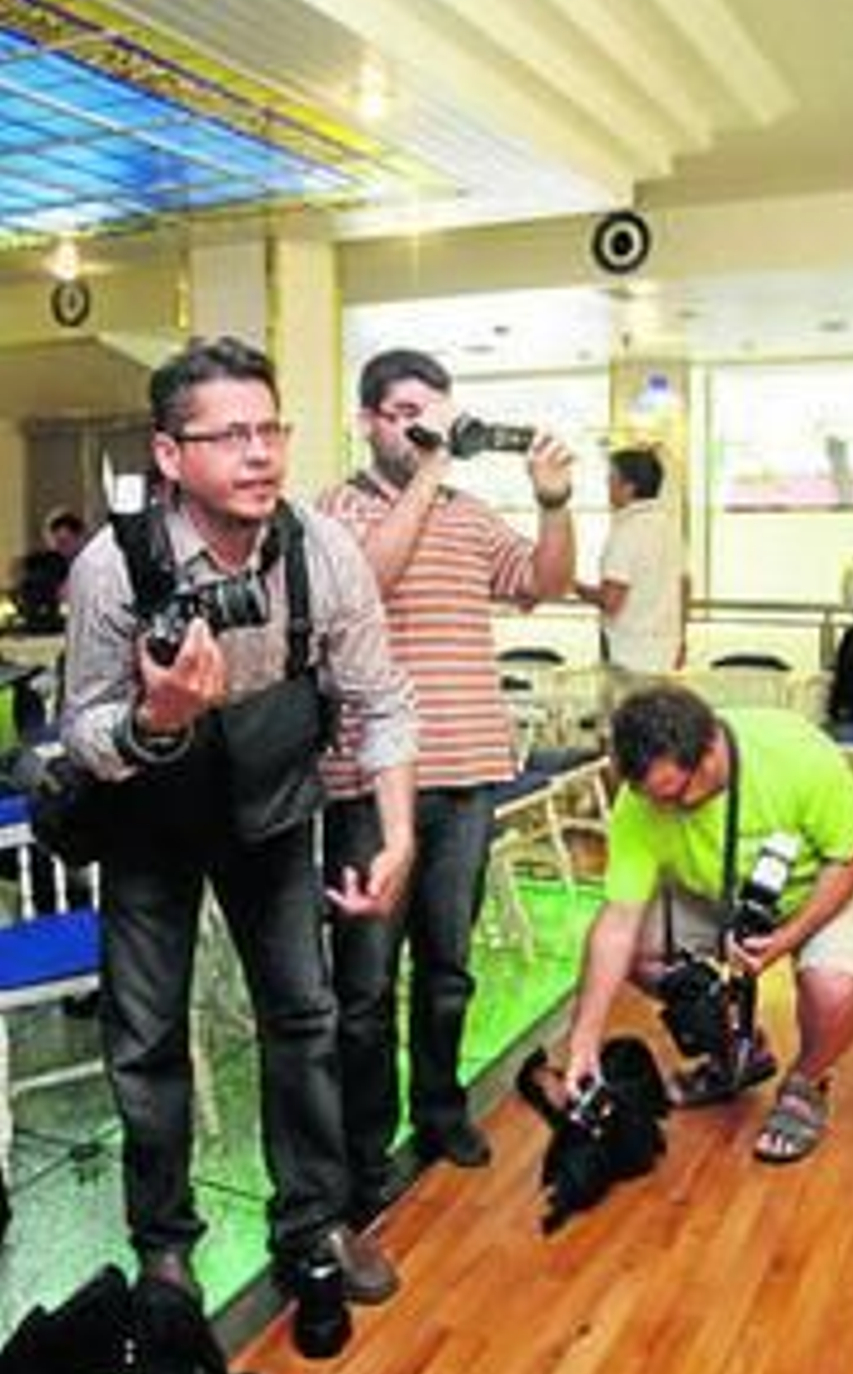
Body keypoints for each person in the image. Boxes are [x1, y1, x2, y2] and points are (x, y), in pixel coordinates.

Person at [60, 336, 418, 1310]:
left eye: (271, 429)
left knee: (303, 1018)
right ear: (171, 456)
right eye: (231, 435)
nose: (260, 453)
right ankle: (165, 1250)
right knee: (145, 1039)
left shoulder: (323, 549)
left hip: (272, 809)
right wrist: (156, 716)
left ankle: (314, 1218)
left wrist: (398, 831)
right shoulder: (112, 569)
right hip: (147, 814)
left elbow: (380, 698)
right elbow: (82, 725)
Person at [319, 348, 575, 1214]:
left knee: (449, 969)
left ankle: (438, 1110)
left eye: (433, 412)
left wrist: (552, 505)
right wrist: (431, 471)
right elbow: (368, 582)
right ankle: (364, 1146)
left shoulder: (470, 514)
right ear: (367, 421)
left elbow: (545, 583)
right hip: (365, 781)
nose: (421, 427)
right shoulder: (334, 511)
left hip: (467, 776)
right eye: (401, 412)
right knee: (363, 986)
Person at [563, 684, 853, 1164]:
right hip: (716, 891)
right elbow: (618, 921)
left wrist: (786, 940)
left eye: (677, 794)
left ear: (711, 748)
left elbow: (850, 861)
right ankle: (737, 1051)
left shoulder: (797, 755)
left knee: (834, 991)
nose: (667, 809)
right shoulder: (645, 801)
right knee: (633, 951)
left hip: (823, 885)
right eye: (656, 800)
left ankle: (806, 1082)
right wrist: (583, 1041)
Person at [574, 445, 688, 683]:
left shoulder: (627, 530)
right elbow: (684, 586)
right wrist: (680, 639)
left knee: (627, 717)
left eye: (611, 480)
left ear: (629, 488)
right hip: (665, 650)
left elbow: (611, 601)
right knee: (659, 717)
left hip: (628, 654)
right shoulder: (669, 528)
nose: (607, 487)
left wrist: (572, 585)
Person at [12, 508, 86, 633]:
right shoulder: (50, 564)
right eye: (58, 543)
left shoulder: (92, 565)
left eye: (65, 542)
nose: (61, 548)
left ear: (80, 539)